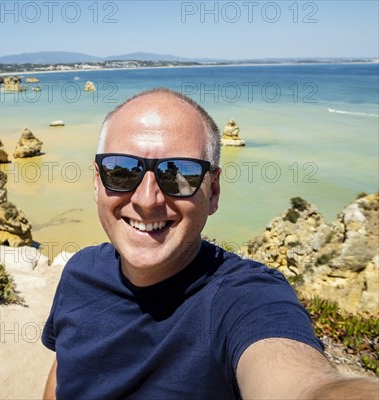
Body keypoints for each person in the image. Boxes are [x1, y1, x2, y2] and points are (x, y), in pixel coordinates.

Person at [41, 88, 378, 399]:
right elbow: (65, 370)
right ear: (97, 183)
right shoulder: (80, 271)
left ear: (213, 191)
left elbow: (304, 385)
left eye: (180, 174)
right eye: (122, 171)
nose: (147, 200)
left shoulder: (246, 297)